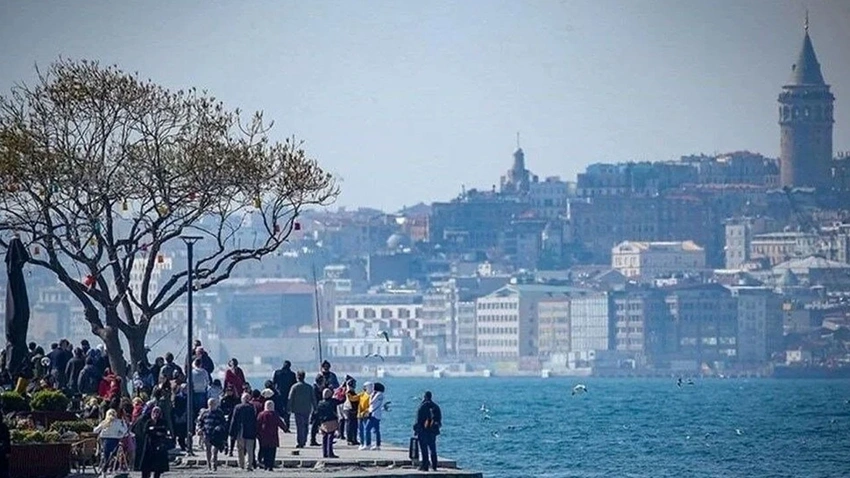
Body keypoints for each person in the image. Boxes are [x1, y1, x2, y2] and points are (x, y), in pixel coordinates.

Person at [414, 391, 442, 472]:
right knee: (433, 448)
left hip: (423, 431)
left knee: (424, 449)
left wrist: (416, 430)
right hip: (432, 431)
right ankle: (434, 466)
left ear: (425, 397)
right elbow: (439, 420)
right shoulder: (436, 407)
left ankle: (425, 465)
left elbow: (418, 420)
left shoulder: (422, 406)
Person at [256, 400, 288, 470]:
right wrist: (285, 429)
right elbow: (280, 423)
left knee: (265, 451)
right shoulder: (275, 414)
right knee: (272, 451)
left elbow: (257, 424)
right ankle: (270, 466)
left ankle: (265, 465)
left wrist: (256, 433)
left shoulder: (261, 414)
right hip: (273, 436)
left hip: (263, 436)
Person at [139, 406, 170, 478]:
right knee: (147, 466)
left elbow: (164, 430)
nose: (156, 414)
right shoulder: (149, 421)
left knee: (158, 467)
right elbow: (145, 431)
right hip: (149, 446)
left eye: (157, 412)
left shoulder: (163, 421)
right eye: (154, 412)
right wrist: (155, 431)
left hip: (159, 445)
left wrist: (154, 429)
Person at [229, 393, 257, 471]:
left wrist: (231, 432)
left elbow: (234, 420)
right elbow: (255, 420)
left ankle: (241, 465)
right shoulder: (252, 407)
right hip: (250, 430)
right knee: (250, 449)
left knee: (240, 449)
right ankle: (249, 465)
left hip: (240, 430)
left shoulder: (238, 407)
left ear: (242, 399)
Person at [288, 370, 315, 449]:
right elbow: (313, 398)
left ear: (297, 377)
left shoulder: (294, 387)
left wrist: (289, 408)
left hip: (297, 409)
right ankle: (304, 440)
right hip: (307, 409)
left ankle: (300, 442)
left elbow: (290, 398)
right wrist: (315, 408)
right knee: (306, 425)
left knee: (300, 426)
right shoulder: (309, 387)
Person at [201, 398, 228, 471]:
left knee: (214, 450)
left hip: (216, 435)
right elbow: (200, 422)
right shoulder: (204, 413)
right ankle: (209, 464)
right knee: (208, 450)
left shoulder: (219, 413)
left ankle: (214, 464)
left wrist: (219, 427)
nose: (211, 406)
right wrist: (200, 429)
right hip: (207, 434)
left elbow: (223, 423)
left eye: (213, 404)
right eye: (210, 404)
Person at [315, 388, 342, 459]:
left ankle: (325, 453)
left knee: (324, 437)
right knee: (330, 437)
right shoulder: (332, 401)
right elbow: (341, 400)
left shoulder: (320, 403)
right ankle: (330, 453)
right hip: (331, 420)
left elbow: (317, 413)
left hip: (323, 422)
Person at [272, 360, 296, 428]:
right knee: (287, 410)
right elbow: (294, 385)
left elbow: (274, 383)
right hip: (288, 394)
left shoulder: (277, 372)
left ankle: (281, 422)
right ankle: (286, 423)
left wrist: (275, 392)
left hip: (279, 394)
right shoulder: (292, 374)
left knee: (279, 409)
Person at [365, 382, 385, 451]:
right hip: (372, 413)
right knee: (376, 430)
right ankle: (377, 445)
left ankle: (369, 444)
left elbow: (372, 402)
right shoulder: (374, 394)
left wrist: (372, 395)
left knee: (368, 429)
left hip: (375, 414)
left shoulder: (379, 394)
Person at [190, 358, 210, 423]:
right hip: (202, 392)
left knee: (194, 410)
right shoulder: (204, 372)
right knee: (202, 410)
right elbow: (207, 381)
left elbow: (189, 382)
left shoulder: (192, 372)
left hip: (194, 392)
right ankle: (201, 422)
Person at [357, 382, 373, 450]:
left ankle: (368, 444)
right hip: (360, 415)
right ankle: (362, 443)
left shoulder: (371, 396)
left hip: (367, 415)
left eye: (365, 387)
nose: (364, 388)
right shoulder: (362, 394)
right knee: (360, 430)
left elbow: (371, 406)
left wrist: (366, 411)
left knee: (367, 430)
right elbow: (353, 398)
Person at [0, 406, 12, 478]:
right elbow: (7, 440)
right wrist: (8, 451)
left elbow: (7, 439)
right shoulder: (4, 427)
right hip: (3, 451)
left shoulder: (4, 427)